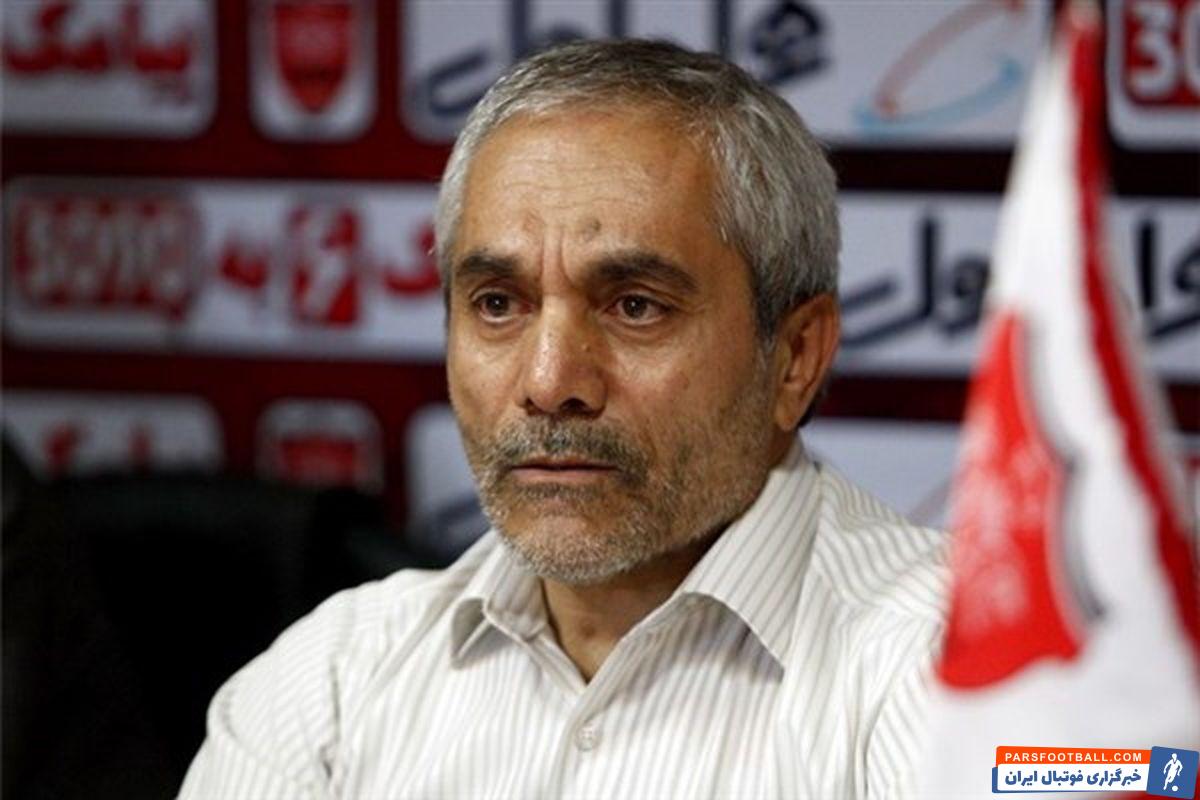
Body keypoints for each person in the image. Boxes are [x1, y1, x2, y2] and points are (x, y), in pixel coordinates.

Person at [180, 38, 946, 799]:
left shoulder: (958, 666)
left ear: (796, 357)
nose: (549, 383)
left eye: (635, 307)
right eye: (497, 305)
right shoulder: (327, 691)